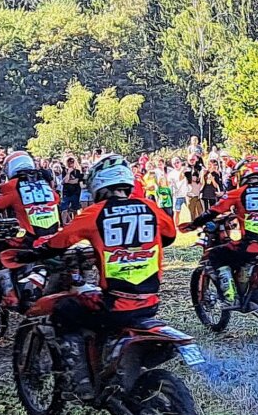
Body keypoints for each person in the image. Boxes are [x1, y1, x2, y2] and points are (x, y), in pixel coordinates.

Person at [12, 154, 176, 400]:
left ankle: (80, 381)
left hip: (115, 305)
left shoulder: (94, 213)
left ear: (98, 184)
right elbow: (170, 236)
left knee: (65, 309)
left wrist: (30, 255)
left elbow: (57, 243)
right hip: (150, 303)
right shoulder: (149, 207)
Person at [183, 159, 258, 306]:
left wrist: (193, 224)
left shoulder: (238, 193)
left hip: (248, 246)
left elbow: (213, 211)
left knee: (215, 254)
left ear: (242, 175)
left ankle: (229, 296)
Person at [0, 151, 61, 308]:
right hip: (54, 238)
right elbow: (53, 202)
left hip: (32, 240)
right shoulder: (44, 184)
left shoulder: (12, 185)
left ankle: (9, 294)